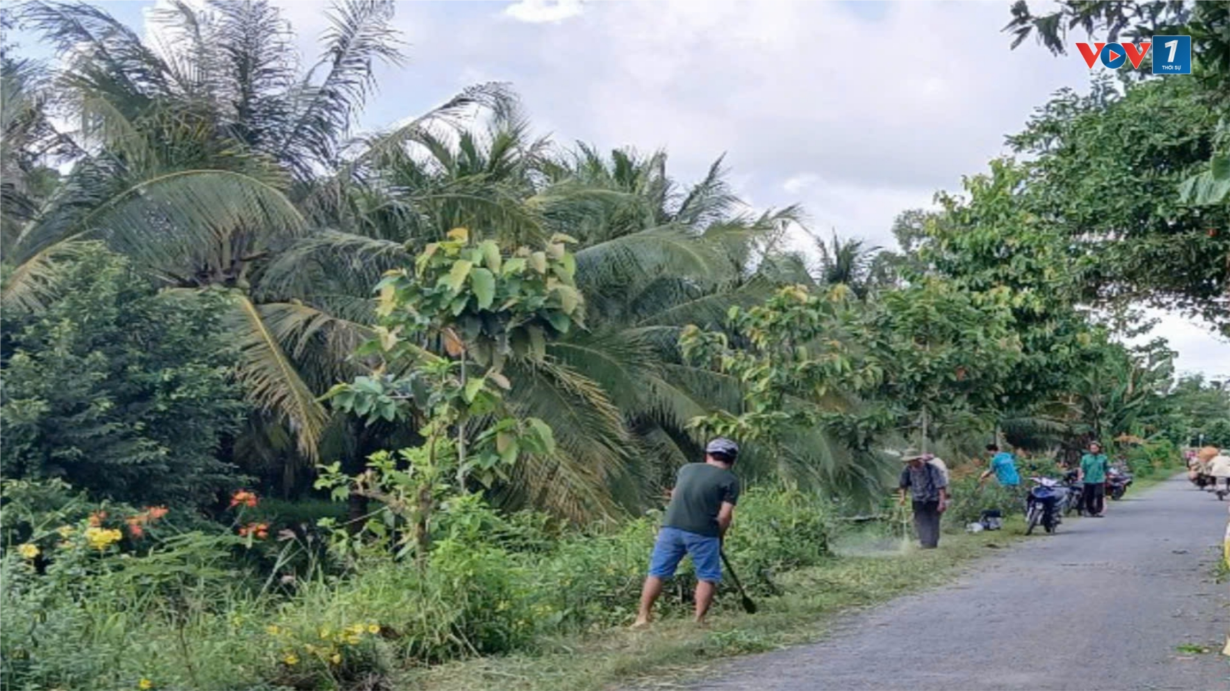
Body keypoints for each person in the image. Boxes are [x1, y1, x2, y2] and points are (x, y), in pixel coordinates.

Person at [634, 438, 741, 628]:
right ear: (732, 460)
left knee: (657, 572)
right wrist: (719, 537)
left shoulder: (687, 469)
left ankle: (642, 617)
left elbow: (676, 494)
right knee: (707, 577)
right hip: (703, 532)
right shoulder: (730, 480)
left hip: (670, 527)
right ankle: (699, 620)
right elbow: (724, 516)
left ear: (708, 455)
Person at [898, 448, 949, 549]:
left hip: (933, 499)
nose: (910, 463)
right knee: (921, 521)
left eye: (912, 460)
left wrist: (942, 502)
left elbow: (941, 486)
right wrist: (902, 497)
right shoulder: (907, 470)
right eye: (908, 461)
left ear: (917, 459)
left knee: (933, 521)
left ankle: (932, 543)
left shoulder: (932, 468)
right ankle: (925, 543)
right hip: (917, 499)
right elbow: (903, 485)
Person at [1079, 442, 1109, 517]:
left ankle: (1099, 510)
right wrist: (1081, 475)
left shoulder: (1103, 458)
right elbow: (1082, 468)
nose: (1093, 450)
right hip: (1088, 479)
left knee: (1099, 494)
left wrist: (1106, 475)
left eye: (1095, 448)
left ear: (1098, 449)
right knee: (1089, 496)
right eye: (1092, 448)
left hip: (1099, 479)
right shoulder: (1085, 458)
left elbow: (1106, 468)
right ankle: (1091, 511)